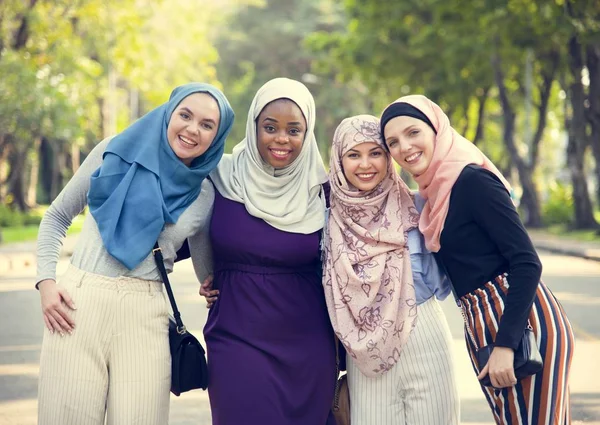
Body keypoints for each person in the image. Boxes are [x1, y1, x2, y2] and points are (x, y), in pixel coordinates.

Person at [35, 83, 234, 425]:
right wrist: (46, 283)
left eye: (207, 124)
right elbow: (57, 216)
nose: (192, 129)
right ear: (169, 113)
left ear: (217, 136)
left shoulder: (203, 194)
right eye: (185, 115)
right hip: (78, 304)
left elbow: (208, 269)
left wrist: (212, 284)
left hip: (147, 316)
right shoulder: (114, 151)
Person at [380, 95, 575, 424]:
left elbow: (526, 262)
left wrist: (506, 344)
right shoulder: (434, 194)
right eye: (393, 142)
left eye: (413, 133)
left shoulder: (471, 180)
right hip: (481, 323)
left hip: (519, 323)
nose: (405, 147)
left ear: (436, 130)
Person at [196, 77, 336, 425]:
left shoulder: (324, 191)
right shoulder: (221, 176)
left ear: (308, 133)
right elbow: (186, 229)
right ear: (253, 125)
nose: (281, 139)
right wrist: (205, 274)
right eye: (270, 127)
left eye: (294, 130)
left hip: (307, 341)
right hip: (235, 335)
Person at [322, 114, 459, 424]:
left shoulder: (417, 205)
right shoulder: (326, 218)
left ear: (389, 158)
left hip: (423, 333)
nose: (365, 164)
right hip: (363, 353)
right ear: (339, 161)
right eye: (353, 155)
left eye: (376, 153)